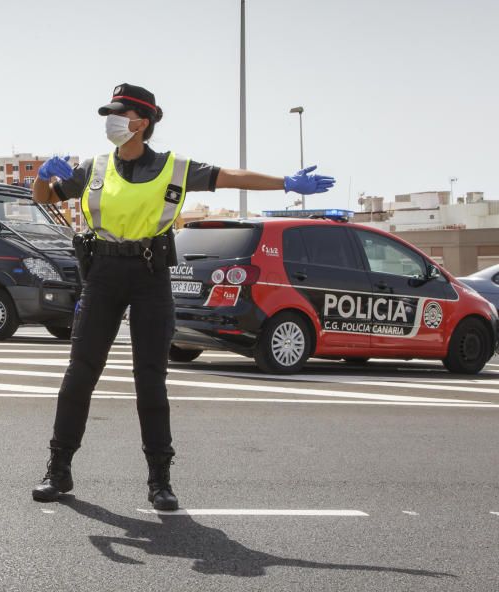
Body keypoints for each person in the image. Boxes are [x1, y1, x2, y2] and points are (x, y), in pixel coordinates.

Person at [30, 84, 334, 510]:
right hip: (102, 274)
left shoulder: (175, 168)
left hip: (150, 274)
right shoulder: (94, 168)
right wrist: (44, 177)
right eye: (109, 114)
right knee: (80, 373)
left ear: (143, 122)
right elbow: (43, 198)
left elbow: (231, 176)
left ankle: (159, 479)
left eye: (119, 114)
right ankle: (58, 469)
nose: (111, 122)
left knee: (150, 379)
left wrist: (285, 181)